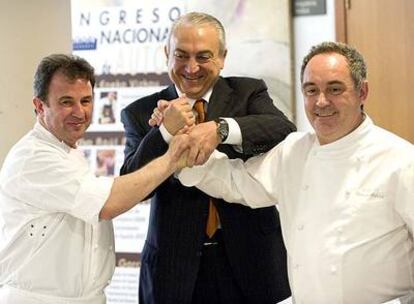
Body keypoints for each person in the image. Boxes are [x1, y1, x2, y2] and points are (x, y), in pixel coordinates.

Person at [178, 41, 414, 303]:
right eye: (311, 90)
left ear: (363, 92)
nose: (321, 102)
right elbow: (237, 182)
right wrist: (185, 148)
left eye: (335, 89)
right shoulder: (293, 151)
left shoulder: (401, 160)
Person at [120, 12, 295, 304]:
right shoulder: (140, 112)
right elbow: (131, 185)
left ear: (223, 57)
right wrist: (164, 131)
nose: (191, 68)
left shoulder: (248, 92)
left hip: (253, 262)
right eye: (181, 55)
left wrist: (220, 129)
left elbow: (283, 129)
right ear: (167, 54)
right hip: (175, 269)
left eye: (203, 56)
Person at [0, 54, 190, 304]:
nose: (79, 112)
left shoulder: (66, 151)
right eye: (66, 102)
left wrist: (162, 133)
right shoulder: (33, 158)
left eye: (86, 100)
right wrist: (172, 158)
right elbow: (108, 203)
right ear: (39, 106)